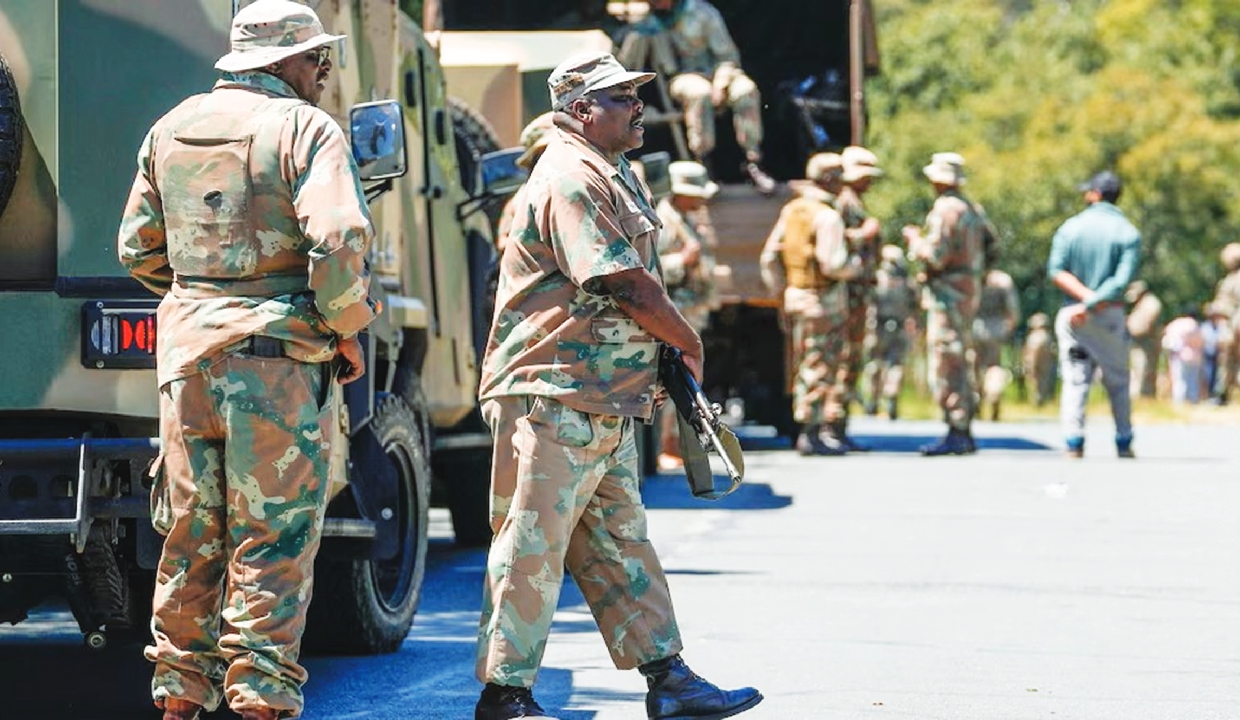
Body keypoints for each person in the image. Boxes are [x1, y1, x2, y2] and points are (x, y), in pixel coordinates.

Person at [473, 51, 761, 720]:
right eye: (620, 97)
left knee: (620, 541)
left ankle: (669, 679)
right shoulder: (571, 175)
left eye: (635, 95)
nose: (637, 107)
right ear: (581, 110)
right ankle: (504, 696)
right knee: (531, 546)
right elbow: (620, 281)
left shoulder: (610, 170)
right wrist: (687, 340)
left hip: (596, 394)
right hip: (551, 394)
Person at [116, 2, 374, 718]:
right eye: (316, 58)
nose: (322, 71)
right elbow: (339, 240)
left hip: (188, 363)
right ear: (283, 62)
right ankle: (259, 700)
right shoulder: (304, 128)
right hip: (276, 363)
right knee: (273, 536)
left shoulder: (171, 126)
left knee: (189, 533)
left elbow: (137, 249)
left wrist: (204, 303)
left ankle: (179, 698)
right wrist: (345, 326)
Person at [760, 153, 859, 455]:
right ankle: (811, 432)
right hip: (823, 302)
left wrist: (783, 292)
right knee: (820, 365)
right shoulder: (828, 217)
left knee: (801, 364)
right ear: (830, 180)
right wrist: (855, 266)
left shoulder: (793, 210)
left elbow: (769, 257)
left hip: (797, 298)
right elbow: (833, 264)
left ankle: (806, 428)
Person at [621, 0, 776, 193]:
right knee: (699, 93)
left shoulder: (702, 13)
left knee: (746, 91)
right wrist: (636, 29)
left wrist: (721, 83)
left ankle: (753, 161)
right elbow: (626, 61)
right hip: (684, 76)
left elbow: (728, 56)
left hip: (719, 71)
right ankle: (703, 163)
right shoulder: (649, 21)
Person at [1046, 170, 1141, 459]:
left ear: (1095, 194)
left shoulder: (1070, 228)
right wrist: (1096, 301)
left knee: (1075, 379)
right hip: (1109, 315)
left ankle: (1074, 441)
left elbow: (1056, 270)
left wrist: (1084, 302)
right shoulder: (1128, 233)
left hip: (1074, 316)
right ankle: (1123, 440)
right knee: (1118, 381)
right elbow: (1121, 280)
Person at [901, 153, 987, 456]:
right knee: (961, 355)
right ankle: (963, 425)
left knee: (947, 359)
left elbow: (936, 256)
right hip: (967, 292)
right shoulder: (972, 209)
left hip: (947, 296)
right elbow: (993, 245)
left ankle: (956, 427)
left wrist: (915, 240)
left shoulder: (945, 210)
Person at [654, 160, 720, 470]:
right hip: (673, 312)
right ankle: (664, 445)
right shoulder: (664, 221)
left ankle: (674, 443)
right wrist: (682, 260)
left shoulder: (686, 219)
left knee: (683, 380)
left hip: (688, 311)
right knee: (672, 379)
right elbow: (651, 269)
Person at [834, 145, 883, 447]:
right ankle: (832, 422)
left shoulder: (855, 202)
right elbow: (833, 239)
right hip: (847, 294)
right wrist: (865, 234)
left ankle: (839, 424)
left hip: (858, 294)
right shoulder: (843, 202)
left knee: (852, 359)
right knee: (843, 357)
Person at [864, 244, 917, 419]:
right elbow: (915, 305)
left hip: (879, 327)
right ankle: (890, 396)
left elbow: (869, 301)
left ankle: (874, 400)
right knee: (894, 364)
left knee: (876, 363)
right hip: (897, 326)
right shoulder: (908, 282)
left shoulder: (877, 278)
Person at [973, 268, 1021, 421]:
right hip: (997, 327)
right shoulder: (1003, 280)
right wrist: (1011, 325)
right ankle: (994, 392)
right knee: (994, 365)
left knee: (974, 366)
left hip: (975, 326)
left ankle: (976, 399)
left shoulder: (972, 276)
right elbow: (1013, 308)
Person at [1208, 242, 1240, 403]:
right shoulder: (1230, 279)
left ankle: (1223, 393)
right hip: (1230, 326)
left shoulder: (1234, 280)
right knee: (1226, 362)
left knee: (1228, 361)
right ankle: (1223, 393)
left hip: (1233, 326)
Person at [1125, 279, 1163, 398]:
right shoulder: (1142, 304)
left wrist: (1129, 328)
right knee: (1139, 371)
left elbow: (1144, 326)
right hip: (1139, 343)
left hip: (1146, 343)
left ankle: (1143, 397)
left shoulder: (1151, 304)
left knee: (1144, 371)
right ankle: (1141, 397)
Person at [1162, 310, 1204, 404]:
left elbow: (1166, 335)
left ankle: (1179, 401)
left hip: (1177, 356)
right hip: (1193, 356)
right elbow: (1200, 341)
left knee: (1179, 380)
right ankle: (1192, 401)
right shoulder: (1194, 324)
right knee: (1192, 380)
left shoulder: (1175, 324)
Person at [1022, 312, 1056, 407]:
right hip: (1045, 364)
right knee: (1043, 381)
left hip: (1034, 363)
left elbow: (1030, 351)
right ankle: (1040, 400)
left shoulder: (1034, 337)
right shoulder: (1047, 336)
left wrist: (1029, 363)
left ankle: (1038, 401)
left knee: (1035, 382)